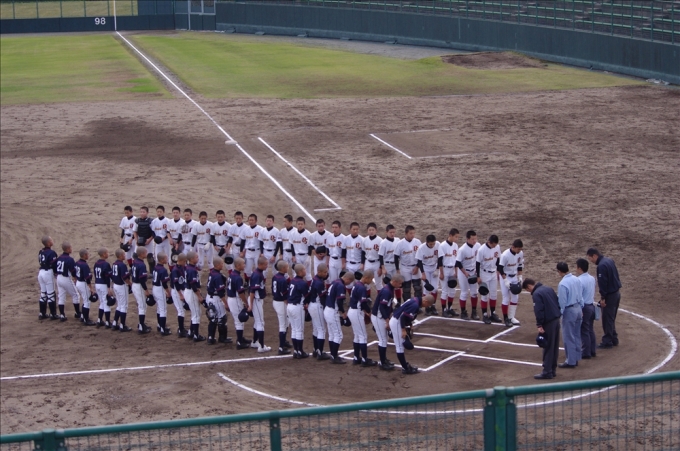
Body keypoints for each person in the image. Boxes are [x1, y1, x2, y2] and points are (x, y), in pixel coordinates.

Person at [522, 278, 561, 380]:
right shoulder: (548, 288)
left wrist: (539, 325)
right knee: (554, 346)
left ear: (529, 286)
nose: (529, 292)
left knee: (548, 347)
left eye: (527, 290)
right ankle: (552, 369)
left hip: (548, 323)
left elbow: (539, 310)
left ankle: (547, 372)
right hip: (556, 320)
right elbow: (557, 302)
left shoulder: (537, 294)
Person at [586, 248, 622, 349]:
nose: (591, 261)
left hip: (610, 295)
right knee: (611, 318)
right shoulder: (609, 260)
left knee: (607, 319)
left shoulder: (601, 266)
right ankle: (614, 338)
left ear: (594, 256)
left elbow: (603, 283)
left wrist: (603, 297)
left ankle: (607, 341)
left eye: (590, 258)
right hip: (616, 293)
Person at [389, 295, 434, 374]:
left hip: (396, 321)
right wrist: (403, 330)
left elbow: (406, 315)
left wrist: (410, 324)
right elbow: (403, 317)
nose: (427, 307)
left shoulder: (415, 299)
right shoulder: (415, 305)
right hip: (397, 323)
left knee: (402, 344)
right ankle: (405, 368)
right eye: (428, 305)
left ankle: (405, 366)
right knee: (400, 346)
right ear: (425, 301)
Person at [372, 274, 404, 370]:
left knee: (384, 339)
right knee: (383, 340)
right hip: (379, 317)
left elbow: (387, 306)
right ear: (394, 282)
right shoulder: (386, 291)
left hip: (381, 316)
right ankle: (382, 363)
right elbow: (382, 307)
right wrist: (387, 320)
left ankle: (384, 360)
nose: (400, 285)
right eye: (399, 283)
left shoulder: (390, 289)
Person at [348, 270, 378, 367]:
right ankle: (364, 360)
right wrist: (369, 312)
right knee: (363, 336)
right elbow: (364, 303)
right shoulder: (361, 288)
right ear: (366, 278)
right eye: (371, 279)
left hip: (352, 311)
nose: (371, 281)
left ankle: (356, 358)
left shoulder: (357, 285)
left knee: (357, 335)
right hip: (356, 312)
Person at [556, 262, 583, 369]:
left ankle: (571, 361)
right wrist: (581, 307)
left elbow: (562, 302)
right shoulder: (577, 279)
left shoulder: (563, 284)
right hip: (578, 308)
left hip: (569, 311)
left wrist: (560, 314)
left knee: (568, 337)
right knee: (576, 335)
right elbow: (581, 295)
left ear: (559, 271)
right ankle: (576, 358)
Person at [325, 271, 355, 364]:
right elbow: (339, 302)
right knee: (338, 335)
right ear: (347, 279)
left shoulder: (335, 281)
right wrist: (343, 312)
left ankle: (333, 355)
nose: (349, 284)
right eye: (350, 282)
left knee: (332, 334)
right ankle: (334, 357)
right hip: (333, 312)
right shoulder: (341, 286)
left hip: (327, 310)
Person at [476, 235, 502, 324]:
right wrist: (478, 276)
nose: (495, 246)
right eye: (494, 244)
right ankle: (485, 315)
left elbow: (498, 259)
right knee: (485, 295)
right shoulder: (481, 250)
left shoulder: (497, 247)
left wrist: (498, 270)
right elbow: (477, 263)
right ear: (489, 242)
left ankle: (493, 313)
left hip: (494, 272)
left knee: (494, 294)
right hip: (484, 273)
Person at [499, 239, 525, 326]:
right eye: (518, 249)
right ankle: (506, 318)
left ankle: (511, 317)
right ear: (513, 247)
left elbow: (520, 265)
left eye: (520, 249)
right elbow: (500, 268)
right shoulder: (505, 255)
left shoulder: (520, 253)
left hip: (514, 277)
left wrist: (520, 276)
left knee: (515, 297)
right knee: (506, 298)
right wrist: (505, 280)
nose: (519, 251)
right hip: (505, 276)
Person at [455, 230, 480, 321]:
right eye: (472, 239)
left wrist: (477, 270)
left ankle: (474, 312)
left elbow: (479, 259)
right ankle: (463, 312)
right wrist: (465, 273)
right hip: (463, 273)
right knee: (464, 292)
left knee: (474, 292)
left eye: (475, 239)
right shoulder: (462, 249)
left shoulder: (478, 246)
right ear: (467, 239)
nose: (474, 241)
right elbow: (458, 262)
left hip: (473, 272)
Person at [248, 256, 271, 353]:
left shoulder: (258, 273)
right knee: (260, 323)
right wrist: (250, 305)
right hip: (255, 300)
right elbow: (252, 291)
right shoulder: (257, 275)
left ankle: (254, 342)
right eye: (265, 264)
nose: (267, 266)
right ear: (260, 264)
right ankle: (261, 347)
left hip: (257, 300)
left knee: (257, 322)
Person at [308, 262, 331, 360]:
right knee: (321, 329)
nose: (326, 274)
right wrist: (326, 309)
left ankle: (316, 350)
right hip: (317, 306)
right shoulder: (319, 283)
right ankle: (320, 353)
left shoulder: (315, 279)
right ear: (319, 272)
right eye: (325, 272)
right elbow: (322, 298)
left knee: (316, 329)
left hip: (312, 305)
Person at [394, 225, 422, 304]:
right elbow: (396, 257)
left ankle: (417, 305)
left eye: (413, 233)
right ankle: (407, 304)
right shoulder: (400, 244)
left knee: (417, 287)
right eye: (410, 233)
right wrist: (397, 269)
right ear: (406, 233)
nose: (412, 235)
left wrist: (417, 267)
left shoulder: (417, 242)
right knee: (406, 288)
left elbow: (420, 256)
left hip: (415, 266)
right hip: (405, 267)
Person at [288, 263, 311, 358]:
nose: (306, 271)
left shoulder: (293, 280)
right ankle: (300, 352)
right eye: (304, 269)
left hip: (289, 306)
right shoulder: (302, 283)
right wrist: (306, 304)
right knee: (299, 330)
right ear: (300, 271)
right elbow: (307, 296)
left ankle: (296, 351)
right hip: (297, 307)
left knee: (294, 329)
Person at [227, 257, 250, 349]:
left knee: (239, 320)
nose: (244, 265)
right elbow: (241, 293)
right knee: (239, 320)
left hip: (231, 298)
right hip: (235, 299)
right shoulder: (237, 277)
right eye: (243, 264)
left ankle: (241, 338)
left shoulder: (232, 274)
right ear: (238, 265)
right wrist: (246, 302)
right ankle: (239, 342)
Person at [206, 257, 230, 345]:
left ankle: (210, 338)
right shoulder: (218, 276)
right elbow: (220, 292)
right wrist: (225, 303)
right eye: (221, 264)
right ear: (217, 265)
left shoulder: (212, 272)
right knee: (222, 318)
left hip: (209, 297)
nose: (223, 265)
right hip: (216, 299)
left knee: (213, 318)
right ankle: (222, 338)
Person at [576, 258, 597, 359]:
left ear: (580, 268)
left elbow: (579, 296)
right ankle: (592, 350)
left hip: (584, 308)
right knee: (590, 329)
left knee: (584, 330)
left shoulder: (579, 280)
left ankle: (586, 352)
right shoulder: (592, 278)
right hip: (591, 306)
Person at [271, 260, 292, 355]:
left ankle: (284, 342)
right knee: (283, 325)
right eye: (287, 267)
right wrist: (288, 304)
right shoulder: (282, 280)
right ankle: (281, 348)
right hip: (281, 303)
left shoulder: (275, 276)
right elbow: (284, 294)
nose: (288, 268)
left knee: (286, 323)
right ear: (283, 268)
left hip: (276, 301)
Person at [55, 241, 80, 321]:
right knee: (76, 295)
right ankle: (77, 313)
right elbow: (73, 270)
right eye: (71, 247)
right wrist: (75, 277)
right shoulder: (70, 259)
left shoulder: (59, 257)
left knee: (61, 296)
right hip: (66, 278)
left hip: (59, 278)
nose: (72, 249)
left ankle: (62, 315)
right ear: (68, 249)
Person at [438, 228, 460, 318]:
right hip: (445, 269)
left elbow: (456, 259)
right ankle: (444, 310)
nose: (457, 239)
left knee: (452, 291)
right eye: (455, 237)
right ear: (450, 235)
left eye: (457, 237)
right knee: (445, 291)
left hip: (452, 270)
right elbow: (440, 260)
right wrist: (441, 273)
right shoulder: (442, 245)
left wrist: (456, 272)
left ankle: (449, 308)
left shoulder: (455, 246)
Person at [184, 251, 206, 342]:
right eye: (196, 257)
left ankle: (191, 332)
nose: (198, 258)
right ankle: (196, 336)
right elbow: (193, 285)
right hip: (191, 293)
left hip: (189, 292)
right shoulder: (192, 270)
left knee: (196, 313)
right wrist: (199, 296)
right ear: (192, 259)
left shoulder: (190, 268)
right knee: (196, 314)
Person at [416, 234, 440, 316]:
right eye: (430, 244)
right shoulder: (421, 248)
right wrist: (422, 273)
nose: (432, 245)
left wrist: (437, 269)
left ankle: (433, 306)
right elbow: (419, 261)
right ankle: (427, 307)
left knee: (435, 288)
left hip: (434, 267)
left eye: (433, 244)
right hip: (425, 268)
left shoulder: (438, 245)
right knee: (426, 288)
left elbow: (440, 258)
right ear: (427, 242)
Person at [131, 247, 152, 335]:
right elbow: (142, 280)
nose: (147, 254)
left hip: (135, 285)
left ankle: (141, 324)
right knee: (142, 306)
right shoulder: (141, 265)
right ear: (142, 254)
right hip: (139, 286)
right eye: (145, 252)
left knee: (142, 305)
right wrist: (146, 290)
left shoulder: (135, 262)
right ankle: (141, 327)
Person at [111, 248, 132, 332]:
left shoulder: (114, 264)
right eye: (123, 254)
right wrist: (130, 284)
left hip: (115, 285)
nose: (125, 255)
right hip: (121, 286)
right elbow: (124, 277)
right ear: (120, 256)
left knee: (119, 305)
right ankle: (122, 325)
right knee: (124, 306)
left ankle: (115, 323)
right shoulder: (122, 265)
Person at [38, 235, 58, 320]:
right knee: (51, 294)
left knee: (43, 293)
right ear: (49, 243)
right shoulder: (51, 252)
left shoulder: (41, 251)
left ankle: (42, 313)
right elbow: (54, 264)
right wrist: (56, 273)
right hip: (48, 273)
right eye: (51, 240)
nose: (53, 241)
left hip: (40, 273)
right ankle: (53, 314)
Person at [238, 213, 264, 281]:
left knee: (258, 268)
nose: (251, 222)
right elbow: (243, 241)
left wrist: (262, 252)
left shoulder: (261, 229)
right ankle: (248, 282)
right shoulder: (245, 229)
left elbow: (262, 242)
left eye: (252, 220)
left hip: (257, 251)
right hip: (248, 252)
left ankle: (259, 282)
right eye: (250, 220)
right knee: (247, 269)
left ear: (256, 221)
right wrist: (241, 251)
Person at [152, 252, 172, 336]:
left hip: (154, 288)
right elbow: (164, 283)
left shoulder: (155, 267)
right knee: (163, 309)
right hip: (160, 289)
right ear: (162, 260)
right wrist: (168, 292)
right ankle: (163, 329)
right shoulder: (163, 270)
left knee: (159, 308)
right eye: (166, 258)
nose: (167, 259)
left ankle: (159, 325)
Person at [74, 249, 96, 325]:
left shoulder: (77, 262)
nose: (88, 255)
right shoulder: (84, 265)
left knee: (84, 300)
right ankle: (86, 320)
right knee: (87, 302)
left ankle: (83, 317)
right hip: (83, 284)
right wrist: (91, 288)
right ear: (84, 255)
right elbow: (87, 278)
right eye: (87, 254)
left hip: (78, 283)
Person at [93, 247, 114, 328]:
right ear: (104, 254)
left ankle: (99, 320)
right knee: (106, 303)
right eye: (107, 253)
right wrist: (109, 288)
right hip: (103, 284)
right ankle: (107, 322)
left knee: (102, 302)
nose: (108, 254)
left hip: (97, 283)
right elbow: (107, 277)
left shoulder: (96, 263)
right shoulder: (106, 264)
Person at [170, 253, 189, 338]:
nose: (185, 263)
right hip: (176, 291)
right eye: (184, 261)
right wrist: (180, 295)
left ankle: (181, 329)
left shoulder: (182, 267)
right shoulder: (175, 270)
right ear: (180, 261)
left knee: (182, 310)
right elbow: (176, 284)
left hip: (182, 290)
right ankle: (181, 330)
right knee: (181, 311)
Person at [290, 217, 313, 282]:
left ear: (304, 224)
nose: (300, 225)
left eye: (301, 224)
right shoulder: (293, 234)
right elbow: (292, 245)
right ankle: (297, 286)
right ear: (296, 224)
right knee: (296, 274)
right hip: (297, 256)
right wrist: (293, 255)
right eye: (299, 224)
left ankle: (309, 287)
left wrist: (309, 256)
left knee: (308, 274)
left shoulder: (308, 234)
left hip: (306, 256)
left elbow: (310, 246)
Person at [362, 223, 384, 292]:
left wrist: (380, 267)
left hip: (377, 263)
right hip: (368, 262)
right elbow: (363, 252)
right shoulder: (364, 240)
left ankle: (380, 297)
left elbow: (382, 255)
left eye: (373, 230)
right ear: (367, 230)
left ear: (376, 230)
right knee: (366, 282)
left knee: (378, 283)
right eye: (370, 230)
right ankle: (367, 297)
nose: (371, 231)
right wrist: (362, 263)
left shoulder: (380, 241)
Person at [132, 206, 154, 271]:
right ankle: (137, 270)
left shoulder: (151, 221)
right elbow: (135, 231)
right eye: (141, 212)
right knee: (135, 256)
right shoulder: (137, 221)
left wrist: (149, 240)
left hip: (149, 241)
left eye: (143, 212)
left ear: (147, 213)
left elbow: (154, 232)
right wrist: (136, 240)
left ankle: (152, 272)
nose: (142, 213)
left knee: (150, 257)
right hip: (140, 240)